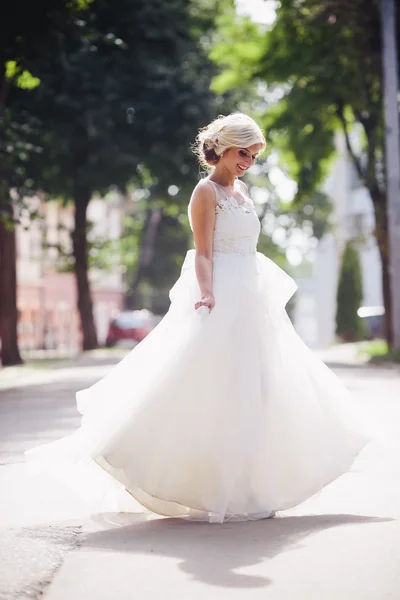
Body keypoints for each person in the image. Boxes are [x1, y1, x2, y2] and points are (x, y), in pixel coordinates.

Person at [26, 112, 371, 524]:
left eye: (255, 155)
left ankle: (250, 488)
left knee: (260, 391)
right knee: (210, 388)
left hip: (253, 299)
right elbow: (204, 251)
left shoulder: (242, 191)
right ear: (222, 148)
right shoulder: (205, 192)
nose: (248, 162)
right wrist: (208, 293)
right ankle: (177, 471)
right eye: (244, 152)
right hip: (222, 294)